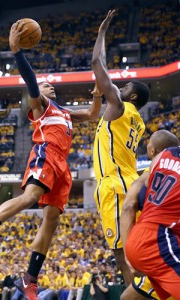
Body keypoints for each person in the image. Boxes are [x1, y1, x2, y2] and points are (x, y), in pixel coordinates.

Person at [0, 19, 103, 300]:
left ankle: (29, 278)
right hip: (46, 151)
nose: (48, 86)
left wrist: (98, 94)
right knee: (29, 197)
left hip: (63, 164)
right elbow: (31, 81)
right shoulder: (41, 107)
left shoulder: (63, 111)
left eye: (51, 85)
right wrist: (17, 53)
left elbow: (92, 115)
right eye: (45, 84)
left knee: (50, 222)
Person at [91, 10, 150, 286]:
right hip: (127, 183)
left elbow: (96, 62)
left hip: (115, 186)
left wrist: (102, 32)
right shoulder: (134, 119)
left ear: (132, 96)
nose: (120, 87)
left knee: (122, 254)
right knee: (132, 252)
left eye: (125, 87)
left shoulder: (119, 106)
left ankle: (133, 294)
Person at [120, 130, 179, 300]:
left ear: (152, 151)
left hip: (142, 239)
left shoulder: (158, 162)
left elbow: (129, 206)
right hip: (160, 240)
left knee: (128, 297)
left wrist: (127, 254)